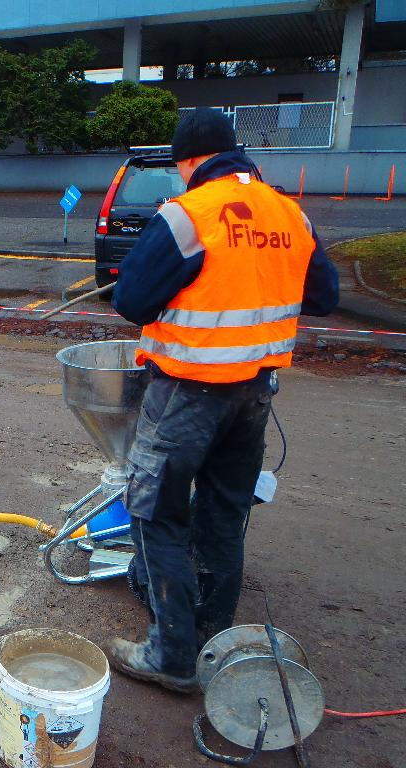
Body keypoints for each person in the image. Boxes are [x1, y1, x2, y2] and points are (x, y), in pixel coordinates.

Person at [104, 107, 339, 693]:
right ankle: (212, 633)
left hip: (187, 389)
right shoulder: (289, 213)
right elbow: (325, 295)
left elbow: (132, 300)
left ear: (189, 160)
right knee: (225, 511)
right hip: (254, 393)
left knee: (156, 511)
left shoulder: (189, 214)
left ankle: (174, 656)